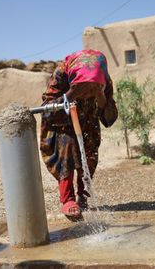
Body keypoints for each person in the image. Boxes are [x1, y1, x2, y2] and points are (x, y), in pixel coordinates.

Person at [39, 49, 117, 219]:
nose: (88, 94)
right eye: (86, 89)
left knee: (88, 155)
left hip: (88, 122)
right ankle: (67, 198)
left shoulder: (103, 80)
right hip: (62, 122)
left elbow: (110, 119)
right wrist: (72, 93)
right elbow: (47, 111)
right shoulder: (62, 73)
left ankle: (83, 194)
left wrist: (100, 95)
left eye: (92, 89)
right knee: (66, 148)